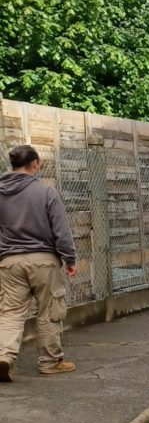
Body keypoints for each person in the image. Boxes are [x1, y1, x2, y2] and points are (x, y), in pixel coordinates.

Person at [0, 144, 77, 381]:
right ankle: (50, 362)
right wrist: (69, 258)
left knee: (10, 312)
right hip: (44, 261)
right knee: (49, 311)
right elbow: (61, 231)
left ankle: (4, 356)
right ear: (35, 164)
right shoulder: (46, 193)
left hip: (9, 262)